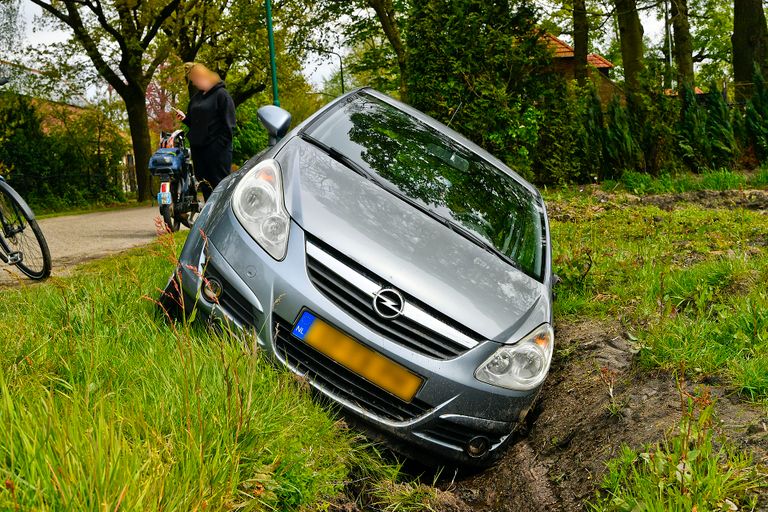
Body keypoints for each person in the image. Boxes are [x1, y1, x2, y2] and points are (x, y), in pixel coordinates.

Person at [175, 62, 236, 201]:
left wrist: (219, 146)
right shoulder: (196, 98)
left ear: (204, 77)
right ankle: (210, 220)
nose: (195, 84)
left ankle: (222, 219)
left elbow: (229, 125)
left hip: (217, 152)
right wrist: (185, 118)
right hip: (199, 150)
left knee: (219, 186)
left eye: (195, 80)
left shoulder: (222, 95)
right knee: (205, 186)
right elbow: (194, 123)